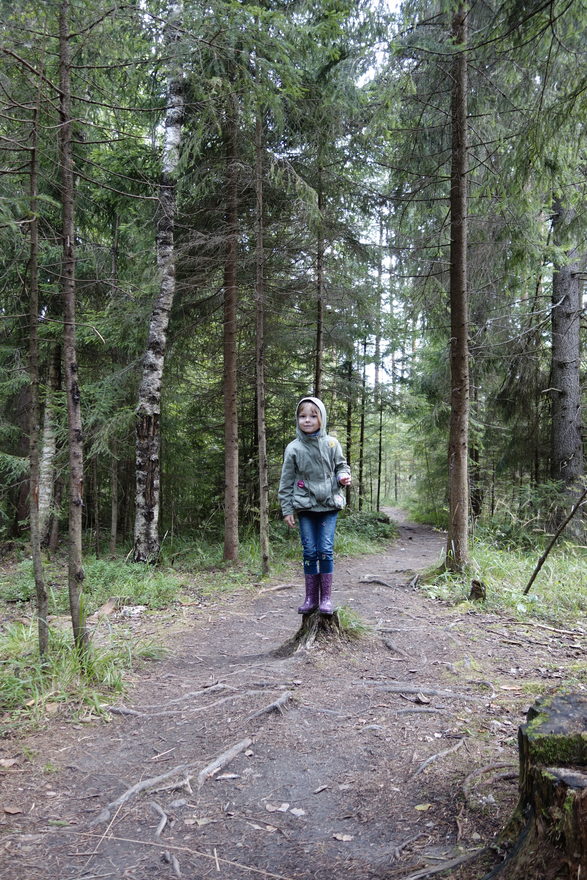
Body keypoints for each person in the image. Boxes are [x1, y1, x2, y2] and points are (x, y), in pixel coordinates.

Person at [278, 396, 351, 615]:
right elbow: (286, 481)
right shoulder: (294, 448)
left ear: (322, 418)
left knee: (325, 550)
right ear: (297, 419)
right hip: (305, 506)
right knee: (310, 551)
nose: (307, 420)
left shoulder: (332, 443)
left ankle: (326, 599)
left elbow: (341, 466)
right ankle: (311, 598)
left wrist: (344, 477)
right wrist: (287, 508)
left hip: (329, 505)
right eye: (302, 416)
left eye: (312, 416)